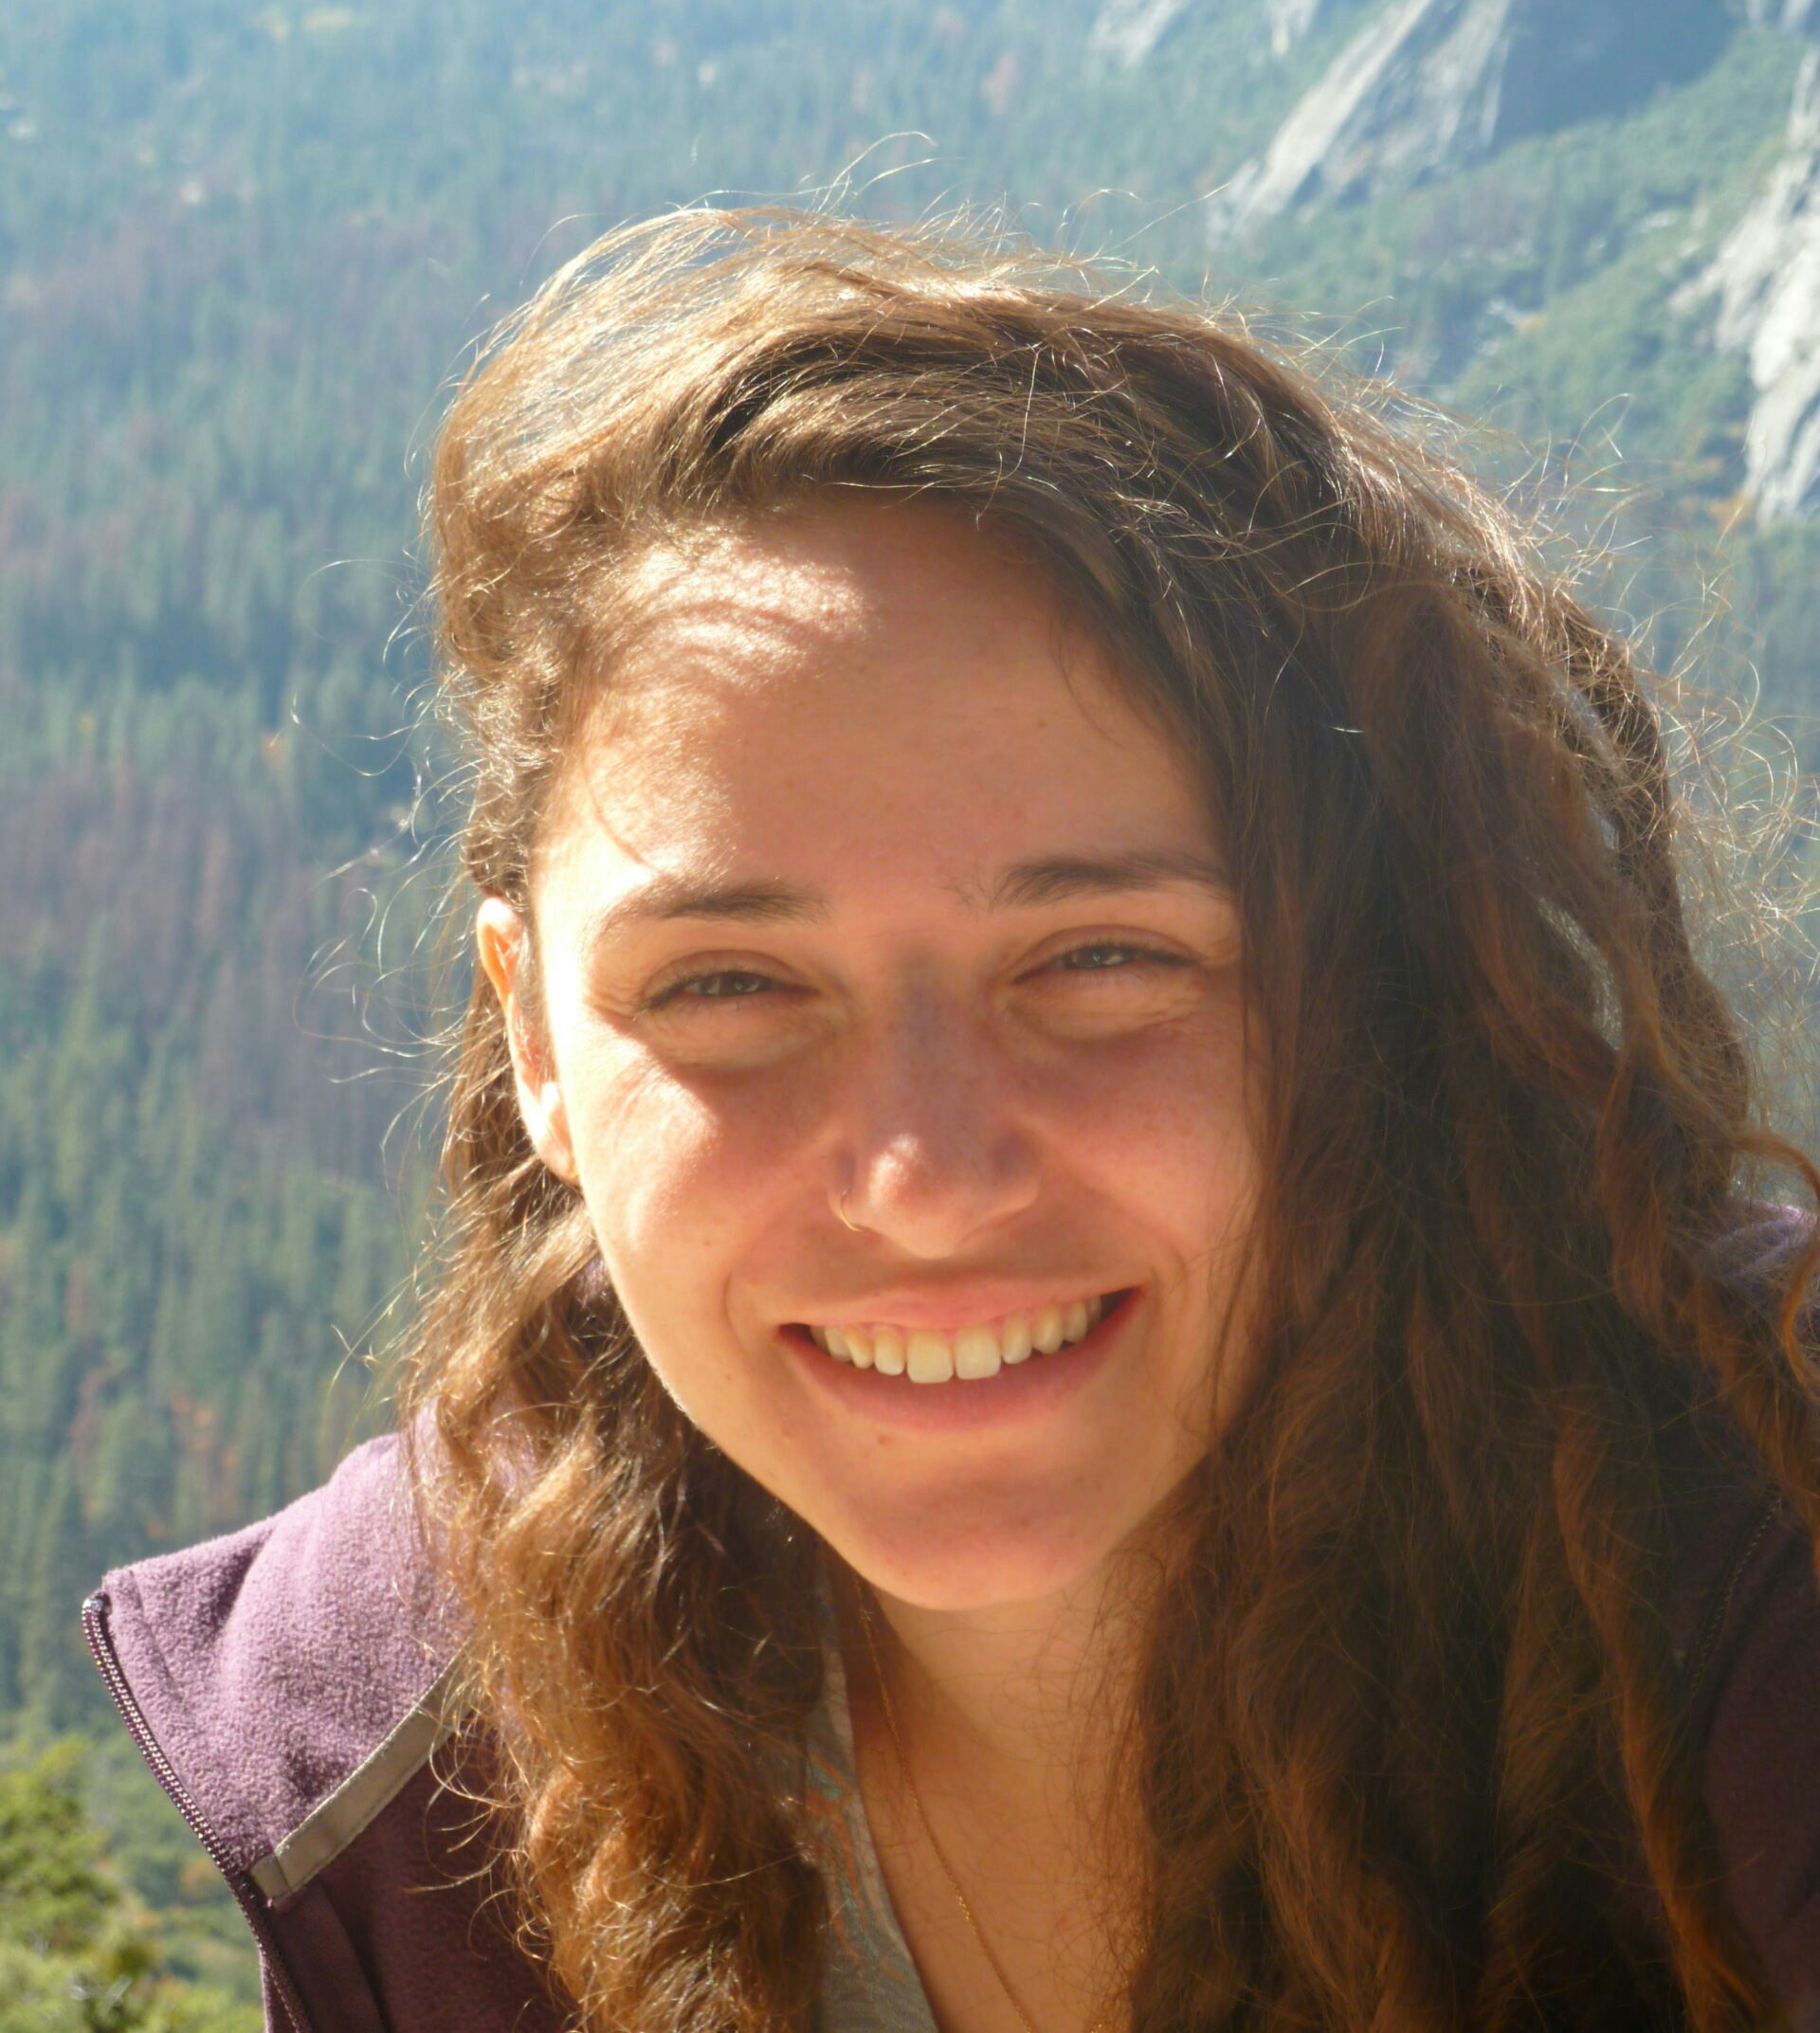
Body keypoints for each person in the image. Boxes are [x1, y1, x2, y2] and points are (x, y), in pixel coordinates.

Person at [87, 209, 1820, 2033]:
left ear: (1370, 993)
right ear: (534, 1041)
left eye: (1100, 959)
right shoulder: (408, 1738)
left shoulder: (1749, 1553)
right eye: (729, 986)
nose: (923, 1181)